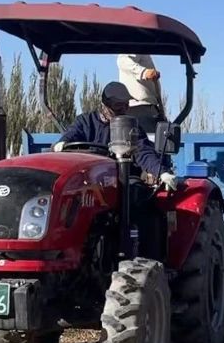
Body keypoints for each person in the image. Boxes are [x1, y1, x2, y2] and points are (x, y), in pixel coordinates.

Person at [54, 82, 177, 259]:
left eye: (126, 106)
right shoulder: (85, 122)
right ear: (105, 106)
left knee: (137, 197)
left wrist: (161, 172)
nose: (124, 111)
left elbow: (143, 151)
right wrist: (61, 144)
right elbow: (70, 137)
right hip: (93, 181)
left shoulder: (130, 126)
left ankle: (139, 255)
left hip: (122, 177)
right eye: (119, 108)